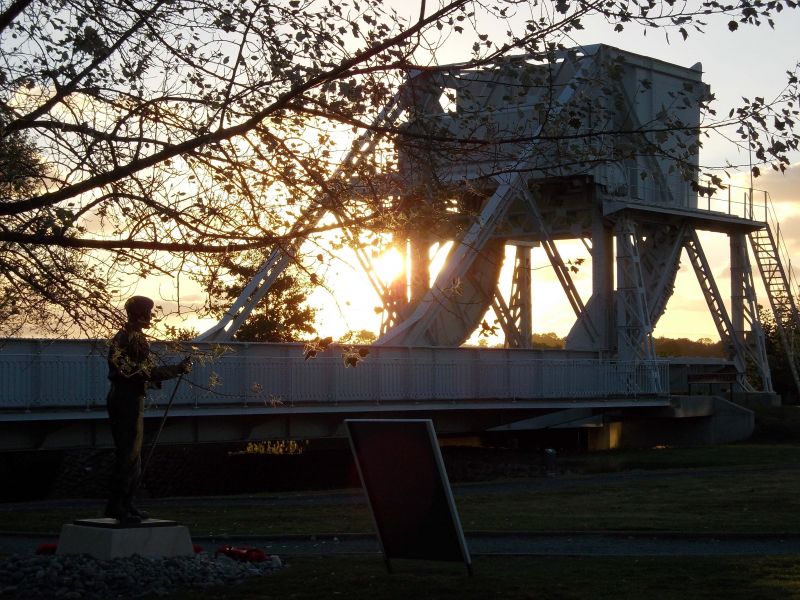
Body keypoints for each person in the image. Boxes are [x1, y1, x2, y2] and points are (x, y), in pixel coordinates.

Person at [105, 295, 192, 523]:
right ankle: (117, 507)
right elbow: (142, 372)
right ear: (140, 314)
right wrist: (177, 370)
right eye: (149, 312)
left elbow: (142, 371)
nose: (151, 316)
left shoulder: (131, 338)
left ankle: (126, 503)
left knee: (134, 458)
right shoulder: (128, 339)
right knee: (128, 456)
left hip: (130, 398)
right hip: (126, 400)